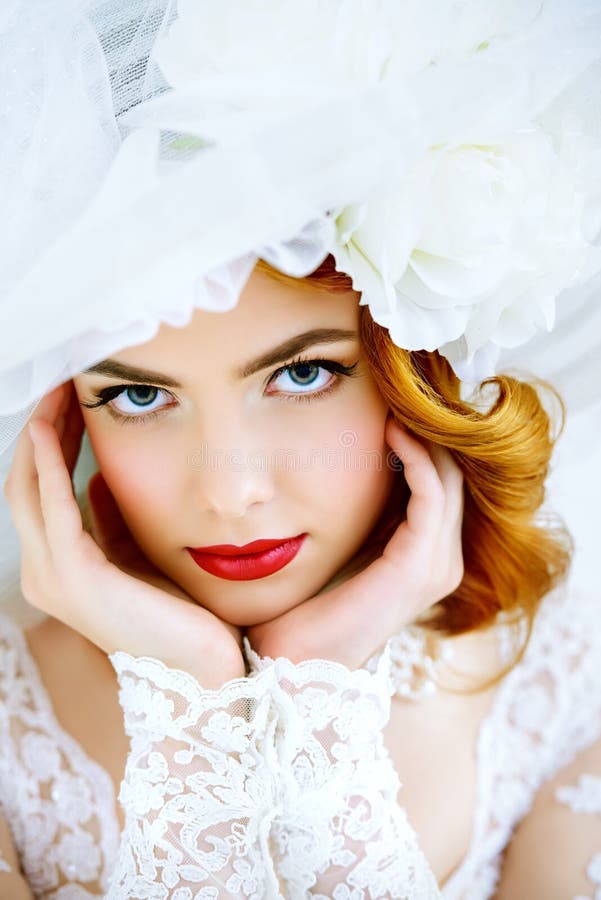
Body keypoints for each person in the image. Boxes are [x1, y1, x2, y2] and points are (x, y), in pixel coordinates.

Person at [1, 1, 601, 897]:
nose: (233, 491)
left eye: (305, 376)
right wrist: (194, 702)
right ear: (62, 422)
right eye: (138, 395)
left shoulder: (557, 685)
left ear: (412, 376)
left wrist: (319, 700)